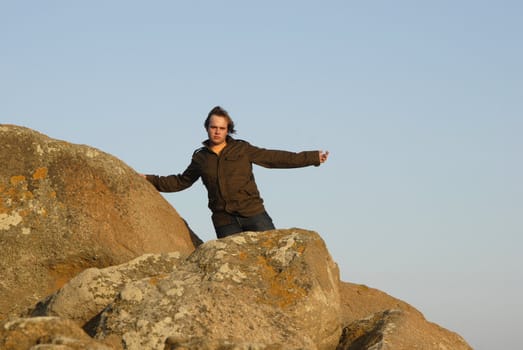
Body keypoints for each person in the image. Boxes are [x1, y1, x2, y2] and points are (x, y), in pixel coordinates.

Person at [143, 106, 329, 238]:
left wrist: (312, 157)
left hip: (254, 215)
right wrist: (148, 180)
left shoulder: (242, 149)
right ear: (207, 128)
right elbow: (180, 181)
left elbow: (275, 158)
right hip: (225, 223)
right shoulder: (201, 158)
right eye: (213, 127)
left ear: (228, 130)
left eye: (221, 128)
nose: (217, 131)